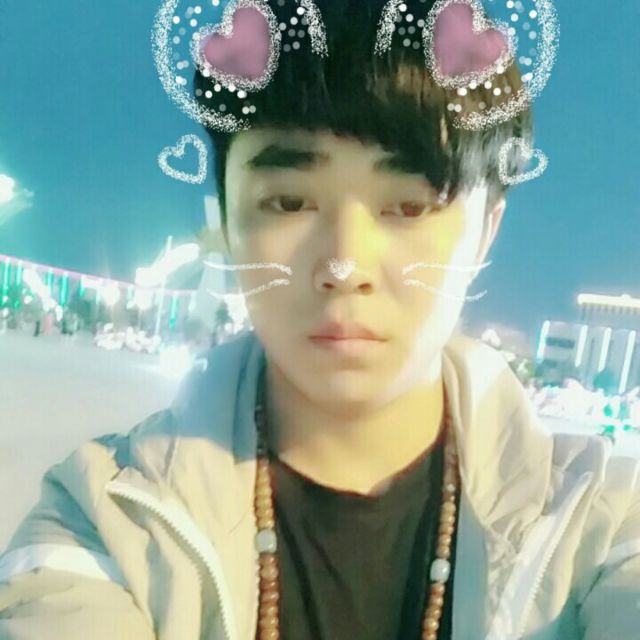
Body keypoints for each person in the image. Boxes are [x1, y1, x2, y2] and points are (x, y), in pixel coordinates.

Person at [1, 2, 639, 639]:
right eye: (288, 201)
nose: (344, 265)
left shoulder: (602, 526)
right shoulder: (106, 522)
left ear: (486, 230)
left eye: (410, 206)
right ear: (225, 216)